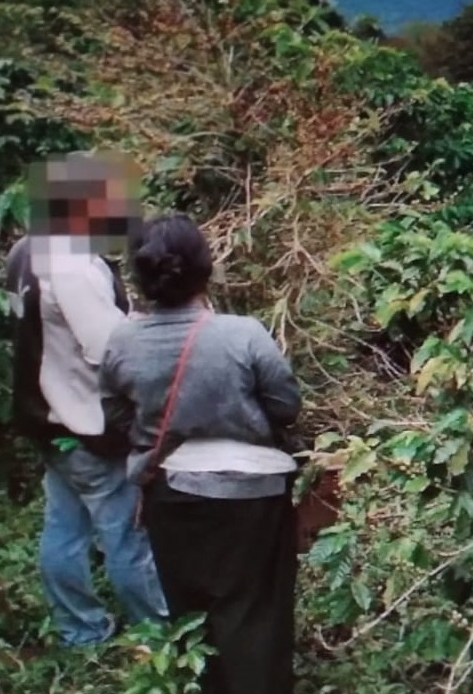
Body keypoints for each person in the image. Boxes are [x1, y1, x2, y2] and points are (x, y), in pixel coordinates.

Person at [100, 214, 302, 694]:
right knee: (255, 610)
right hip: (252, 497)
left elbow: (114, 411)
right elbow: (286, 406)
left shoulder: (123, 341)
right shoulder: (243, 334)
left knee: (190, 613)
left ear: (143, 277)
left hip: (170, 493)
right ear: (204, 270)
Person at [5, 152, 167, 647]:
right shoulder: (72, 265)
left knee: (65, 528)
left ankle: (80, 632)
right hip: (87, 424)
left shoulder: (27, 249)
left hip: (46, 416)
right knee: (126, 534)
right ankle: (159, 635)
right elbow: (108, 351)